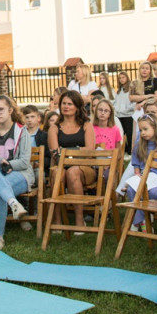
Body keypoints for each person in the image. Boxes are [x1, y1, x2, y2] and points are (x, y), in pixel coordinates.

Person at [0, 95, 34, 249]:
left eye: (1, 109)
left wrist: (8, 164)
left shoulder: (21, 131)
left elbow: (24, 162)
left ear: (10, 110)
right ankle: (13, 202)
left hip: (19, 174)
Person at [48, 90, 96, 229]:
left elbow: (90, 151)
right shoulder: (54, 128)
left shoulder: (86, 125)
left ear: (77, 106)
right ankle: (57, 220)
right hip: (61, 165)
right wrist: (78, 150)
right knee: (57, 173)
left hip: (84, 167)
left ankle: (79, 221)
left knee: (73, 172)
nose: (66, 106)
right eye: (63, 103)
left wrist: (66, 152)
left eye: (70, 104)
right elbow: (56, 155)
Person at [123, 114, 157, 230]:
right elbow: (136, 165)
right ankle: (143, 219)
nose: (143, 133)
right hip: (142, 177)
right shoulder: (139, 145)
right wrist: (137, 176)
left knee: (153, 193)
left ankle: (138, 219)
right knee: (131, 190)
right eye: (140, 130)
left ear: (155, 128)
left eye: (145, 129)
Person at [113, 71, 135, 151]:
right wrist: (116, 109)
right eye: (120, 78)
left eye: (123, 77)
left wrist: (125, 109)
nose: (121, 79)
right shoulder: (119, 90)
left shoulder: (131, 89)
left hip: (128, 115)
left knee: (129, 134)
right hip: (119, 115)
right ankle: (124, 149)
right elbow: (116, 102)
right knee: (121, 134)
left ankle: (130, 151)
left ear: (127, 78)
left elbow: (133, 102)